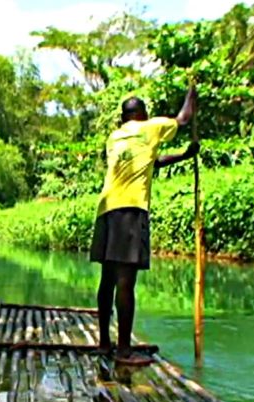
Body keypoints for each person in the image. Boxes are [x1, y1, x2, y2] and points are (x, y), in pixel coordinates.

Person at [90, 86, 199, 365]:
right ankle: (124, 351)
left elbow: (151, 162)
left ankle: (105, 343)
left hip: (106, 209)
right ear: (142, 114)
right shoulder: (150, 127)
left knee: (108, 279)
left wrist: (184, 156)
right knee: (126, 281)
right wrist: (191, 93)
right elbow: (184, 119)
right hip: (130, 209)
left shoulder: (114, 137)